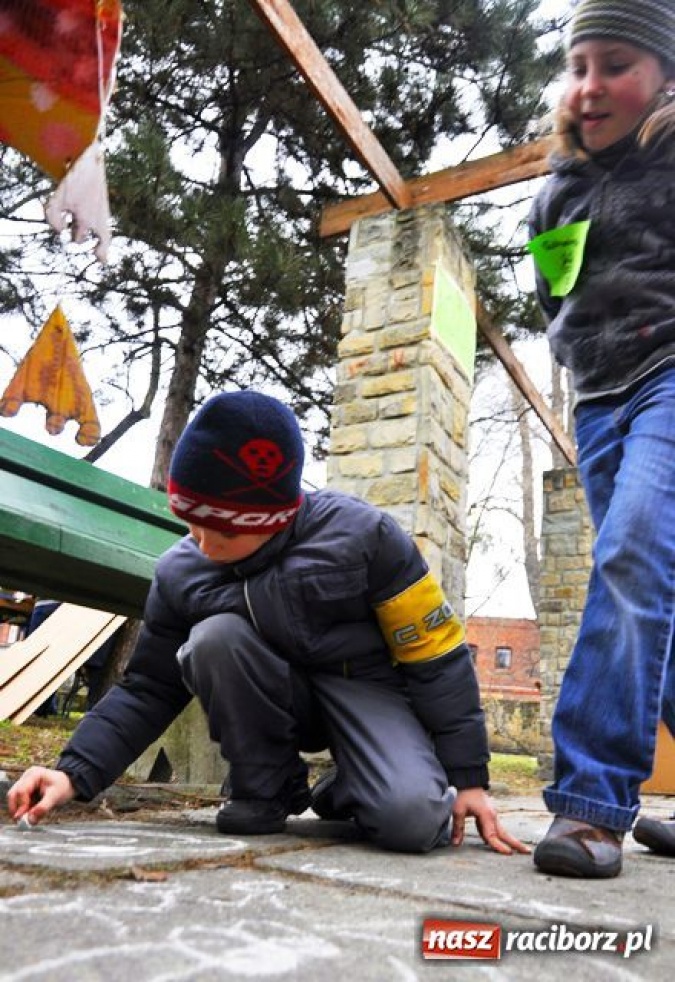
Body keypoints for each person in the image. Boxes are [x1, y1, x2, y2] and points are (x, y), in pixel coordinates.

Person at [8, 390, 527, 857]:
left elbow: (435, 655)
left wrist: (468, 778)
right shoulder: (180, 571)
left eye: (223, 532)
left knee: (413, 822)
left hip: (366, 688)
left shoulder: (366, 537)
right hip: (268, 696)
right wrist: (73, 772)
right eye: (192, 525)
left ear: (274, 517)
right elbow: (149, 687)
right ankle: (269, 785)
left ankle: (355, 783)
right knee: (214, 638)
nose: (204, 545)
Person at [528, 0, 675, 878]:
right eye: (578, 66)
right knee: (656, 599)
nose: (589, 86)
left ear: (664, 76)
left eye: (615, 64)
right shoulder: (556, 190)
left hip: (671, 378)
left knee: (629, 555)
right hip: (597, 400)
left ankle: (589, 803)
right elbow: (554, 296)